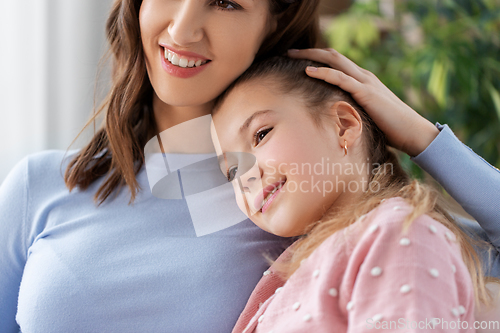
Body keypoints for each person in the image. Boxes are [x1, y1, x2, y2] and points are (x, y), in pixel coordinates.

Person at [0, 0, 499, 332]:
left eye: (225, 0)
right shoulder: (39, 186)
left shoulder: (300, 198)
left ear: (274, 20)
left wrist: (419, 135)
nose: (182, 27)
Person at [210, 56, 498, 332]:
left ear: (343, 125)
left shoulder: (401, 232)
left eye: (261, 135)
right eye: (232, 171)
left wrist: (418, 136)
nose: (246, 177)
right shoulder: (289, 275)